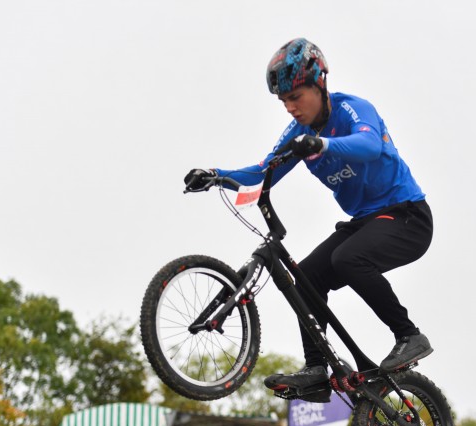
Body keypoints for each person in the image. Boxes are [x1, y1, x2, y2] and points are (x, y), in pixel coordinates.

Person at [184, 38, 434, 393]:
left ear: (320, 84)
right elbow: (261, 172)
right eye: (283, 101)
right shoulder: (299, 133)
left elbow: (370, 145)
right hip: (365, 222)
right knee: (307, 277)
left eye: (296, 96)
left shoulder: (353, 110)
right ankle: (317, 371)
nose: (290, 107)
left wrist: (322, 144)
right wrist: (216, 176)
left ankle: (409, 336)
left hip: (407, 216)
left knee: (349, 258)